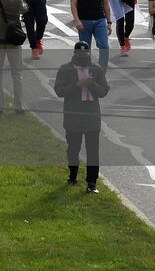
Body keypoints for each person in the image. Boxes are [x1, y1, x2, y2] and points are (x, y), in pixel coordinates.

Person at [54, 41, 110, 194]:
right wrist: (78, 85)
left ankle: (92, 183)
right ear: (74, 54)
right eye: (80, 55)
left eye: (86, 55)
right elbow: (59, 90)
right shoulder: (65, 70)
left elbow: (104, 90)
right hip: (73, 117)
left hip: (92, 118)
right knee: (73, 149)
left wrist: (91, 85)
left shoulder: (96, 69)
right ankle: (72, 176)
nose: (84, 58)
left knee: (93, 151)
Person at [0, 0, 28, 115]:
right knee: (17, 74)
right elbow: (25, 9)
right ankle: (19, 106)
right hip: (13, 41)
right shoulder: (17, 0)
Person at [69, 0, 113, 72]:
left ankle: (101, 71)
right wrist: (77, 20)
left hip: (99, 20)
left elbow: (106, 4)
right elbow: (73, 4)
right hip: (84, 21)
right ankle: (84, 71)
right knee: (84, 49)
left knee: (104, 46)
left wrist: (109, 22)